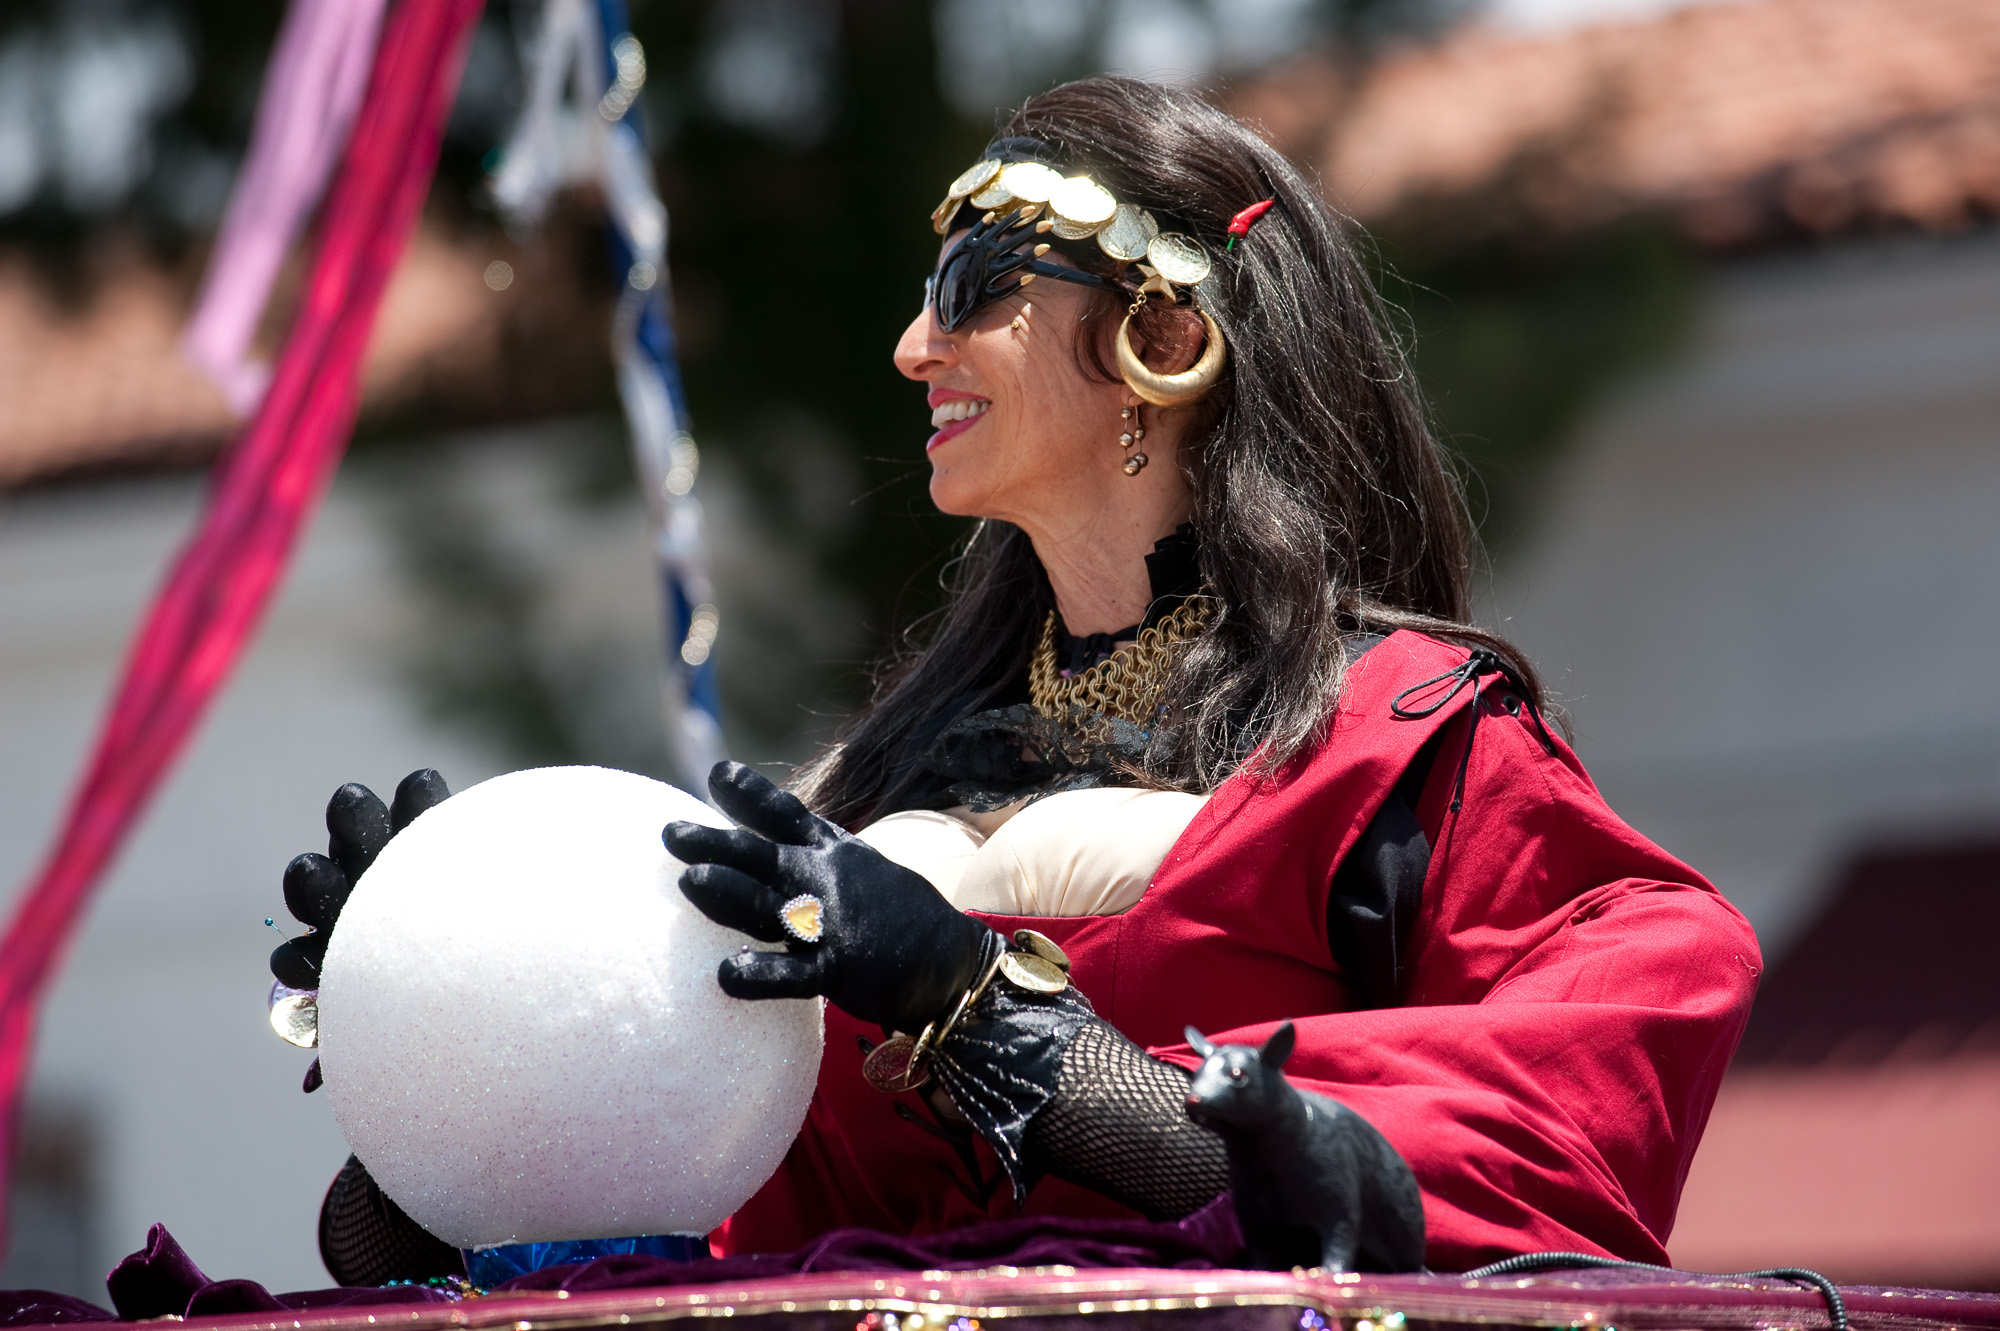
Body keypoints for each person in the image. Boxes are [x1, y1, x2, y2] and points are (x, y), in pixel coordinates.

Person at [283, 76, 1759, 1282]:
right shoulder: (875, 789)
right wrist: (437, 1030)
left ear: (1167, 338)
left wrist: (990, 1018)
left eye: (975, 286)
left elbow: (1577, 1102)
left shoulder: (1405, 744)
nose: (914, 345)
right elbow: (640, 1232)